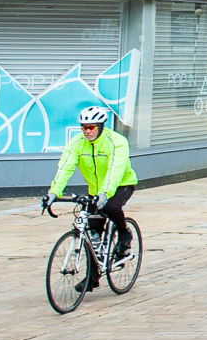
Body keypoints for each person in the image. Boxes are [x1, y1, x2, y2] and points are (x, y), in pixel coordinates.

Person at [42, 105, 138, 261]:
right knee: (93, 235)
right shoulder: (77, 143)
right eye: (84, 127)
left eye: (91, 127)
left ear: (100, 127)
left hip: (122, 184)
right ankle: (91, 281)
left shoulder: (117, 142)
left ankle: (124, 233)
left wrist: (105, 194)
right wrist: (53, 192)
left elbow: (115, 170)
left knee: (110, 207)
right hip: (96, 189)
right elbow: (65, 168)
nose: (87, 131)